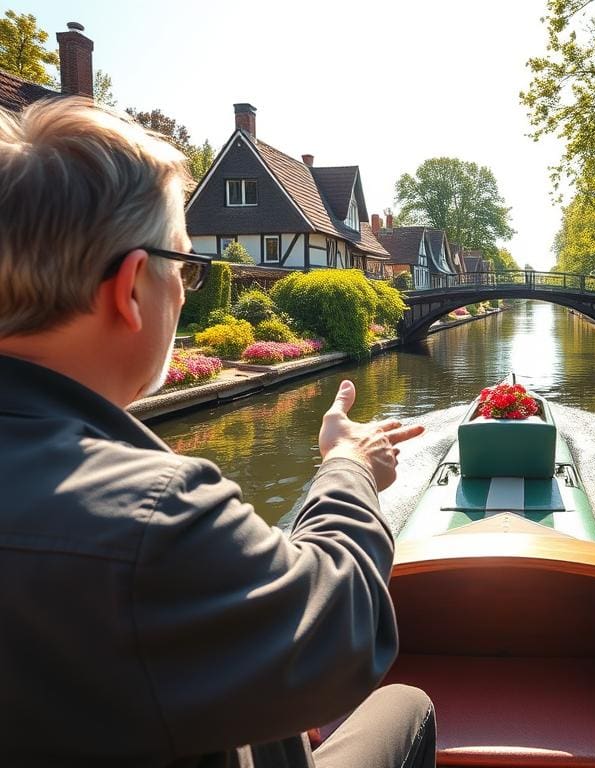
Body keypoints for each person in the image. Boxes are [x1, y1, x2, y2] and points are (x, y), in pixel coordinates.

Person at [0, 99, 435, 767]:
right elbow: (345, 633)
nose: (185, 289)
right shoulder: (154, 512)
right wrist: (347, 466)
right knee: (407, 707)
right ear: (130, 289)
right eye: (184, 267)